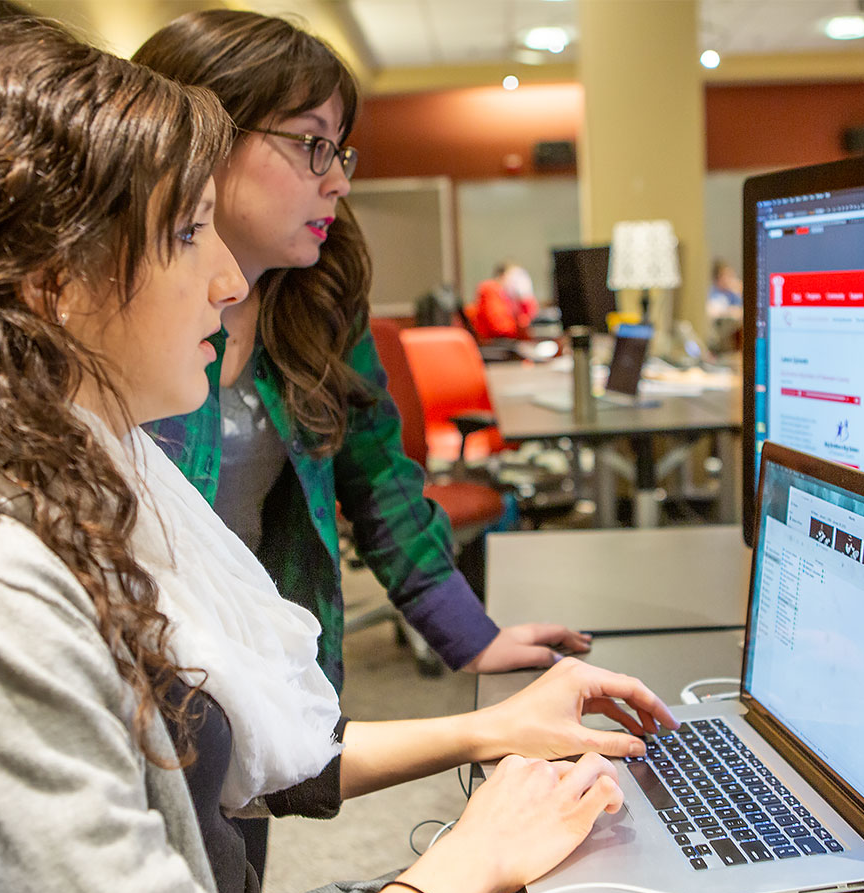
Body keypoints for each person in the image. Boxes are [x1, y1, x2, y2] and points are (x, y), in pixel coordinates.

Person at [0, 18, 679, 893]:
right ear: (50, 285)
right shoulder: (3, 580)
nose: (222, 279)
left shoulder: (86, 462)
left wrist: (487, 723)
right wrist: (471, 855)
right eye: (184, 231)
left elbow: (222, 744)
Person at [132, 11, 586, 703]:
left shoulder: (316, 299)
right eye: (312, 144)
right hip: (128, 684)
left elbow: (377, 475)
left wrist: (469, 634)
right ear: (198, 139)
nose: (338, 181)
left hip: (252, 677)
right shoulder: (105, 313)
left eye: (340, 151)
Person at [471, 260, 540, 341]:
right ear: (502, 276)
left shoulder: (510, 296)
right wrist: (520, 325)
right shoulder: (489, 289)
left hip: (508, 341)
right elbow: (499, 327)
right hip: (496, 343)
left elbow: (530, 316)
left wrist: (525, 297)